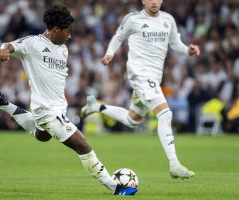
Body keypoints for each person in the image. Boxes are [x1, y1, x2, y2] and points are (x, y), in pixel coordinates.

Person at [0, 5, 136, 195]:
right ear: (55, 29)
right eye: (68, 32)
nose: (70, 36)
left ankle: (4, 104)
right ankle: (116, 188)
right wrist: (3, 49)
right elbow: (8, 45)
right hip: (46, 110)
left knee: (41, 136)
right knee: (82, 145)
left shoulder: (63, 50)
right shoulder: (33, 43)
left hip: (58, 108)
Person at [81, 0, 200, 179]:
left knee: (132, 120)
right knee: (165, 114)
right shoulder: (133, 19)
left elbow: (176, 44)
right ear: (143, 1)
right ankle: (174, 163)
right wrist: (109, 53)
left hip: (154, 78)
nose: (154, 2)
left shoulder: (168, 20)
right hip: (140, 73)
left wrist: (188, 51)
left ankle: (96, 107)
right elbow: (118, 37)